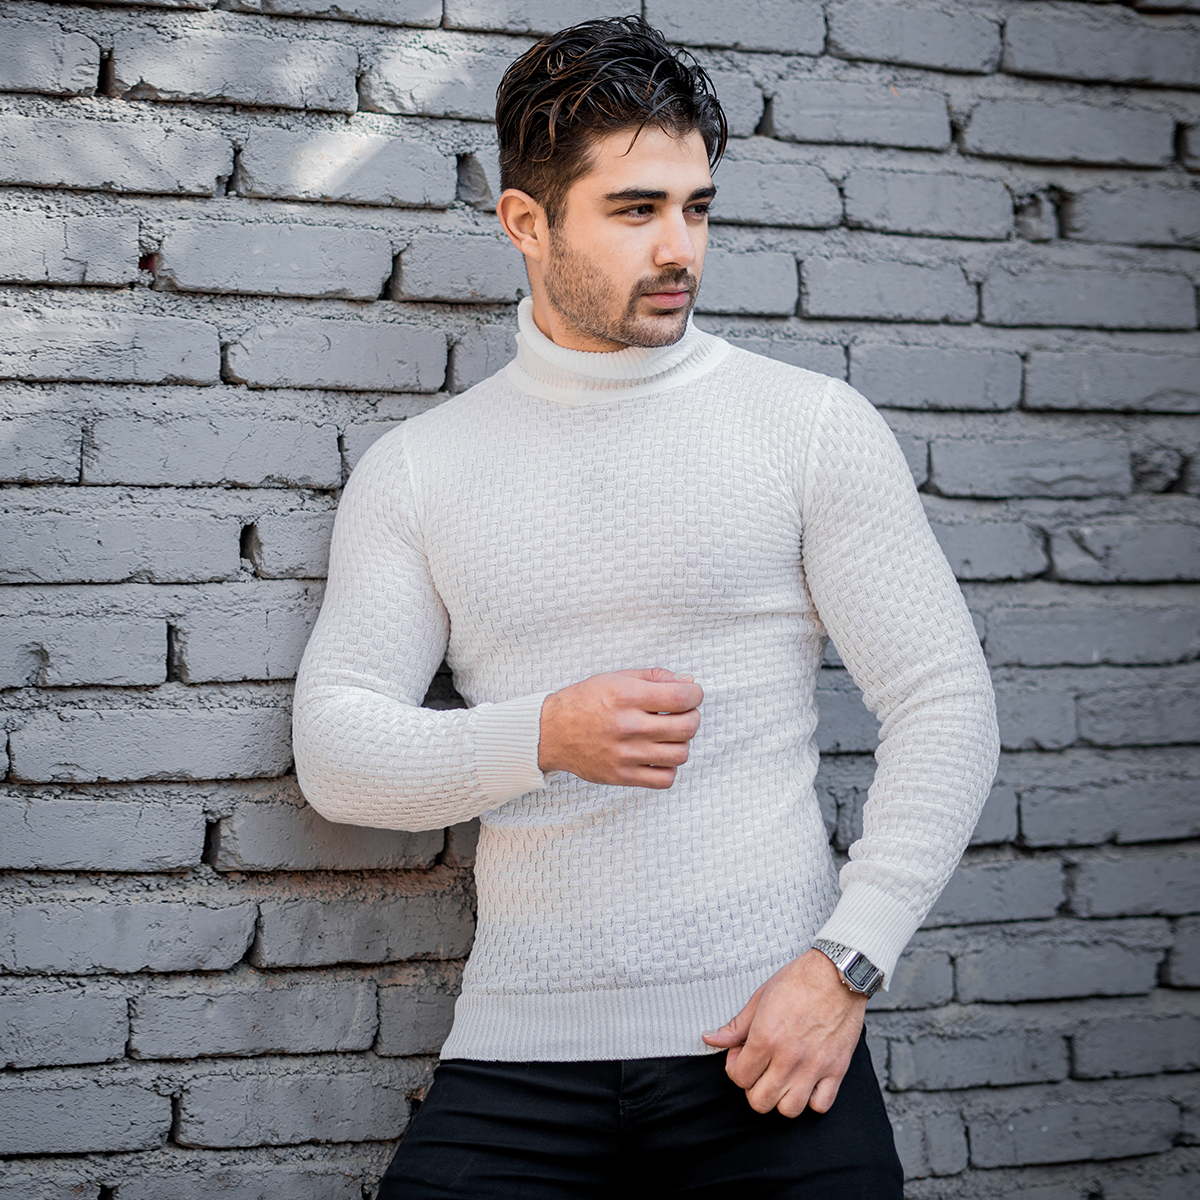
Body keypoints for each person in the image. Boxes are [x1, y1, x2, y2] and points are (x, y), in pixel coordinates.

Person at [292, 16, 999, 1198]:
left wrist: (847, 963)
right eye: (635, 211)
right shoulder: (421, 470)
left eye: (696, 207)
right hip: (518, 1058)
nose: (680, 249)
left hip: (767, 1051)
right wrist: (541, 736)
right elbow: (336, 753)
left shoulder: (808, 428)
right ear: (526, 222)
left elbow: (945, 701)